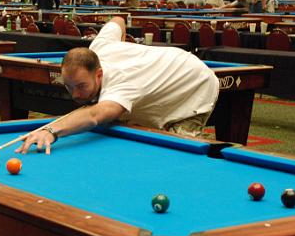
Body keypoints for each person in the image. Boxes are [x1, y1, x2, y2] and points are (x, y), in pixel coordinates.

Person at [16, 17, 220, 154]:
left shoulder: (121, 84)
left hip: (194, 82)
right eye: (69, 87)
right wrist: (121, 45)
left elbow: (94, 116)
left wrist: (51, 131)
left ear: (99, 74)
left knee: (176, 151)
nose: (75, 94)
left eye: (81, 86)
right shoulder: (99, 45)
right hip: (161, 72)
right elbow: (118, 21)